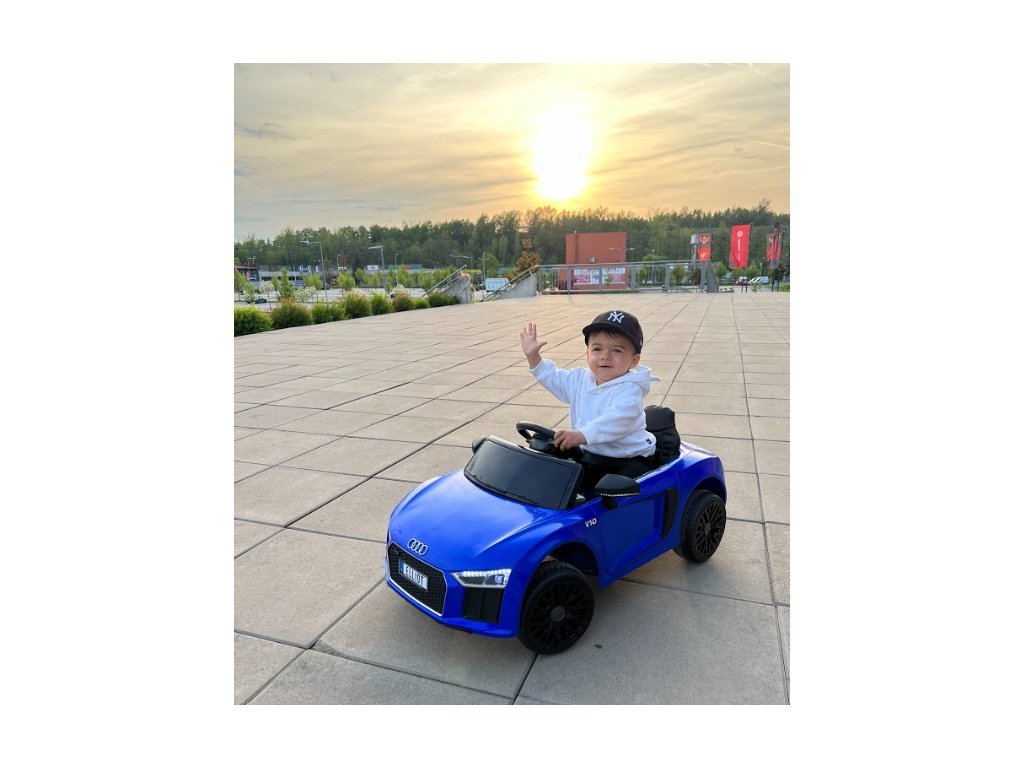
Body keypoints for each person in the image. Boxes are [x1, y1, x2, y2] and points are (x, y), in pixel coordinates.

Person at [519, 310, 660, 491]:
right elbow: (554, 378)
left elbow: (616, 420)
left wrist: (580, 435)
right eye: (597, 349)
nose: (605, 356)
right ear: (587, 354)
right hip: (591, 453)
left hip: (629, 458)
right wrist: (534, 358)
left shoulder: (630, 390)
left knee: (612, 491)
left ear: (633, 361)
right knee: (555, 475)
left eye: (616, 350)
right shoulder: (580, 379)